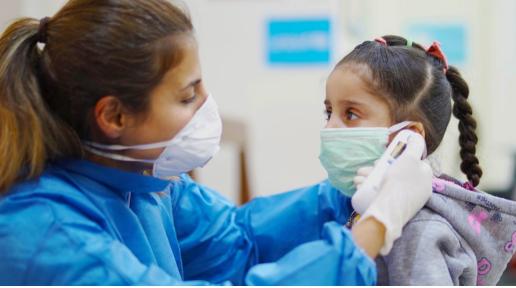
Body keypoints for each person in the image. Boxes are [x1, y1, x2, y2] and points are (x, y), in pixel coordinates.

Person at [0, 0, 432, 285]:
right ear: (114, 116)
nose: (207, 105)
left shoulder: (144, 182)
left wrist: (352, 191)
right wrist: (378, 223)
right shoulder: (43, 230)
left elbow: (240, 239)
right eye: (187, 95)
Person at [320, 34, 516, 285]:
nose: (330, 128)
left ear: (408, 138)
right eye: (328, 111)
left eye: (351, 113)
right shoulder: (358, 209)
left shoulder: (418, 231)